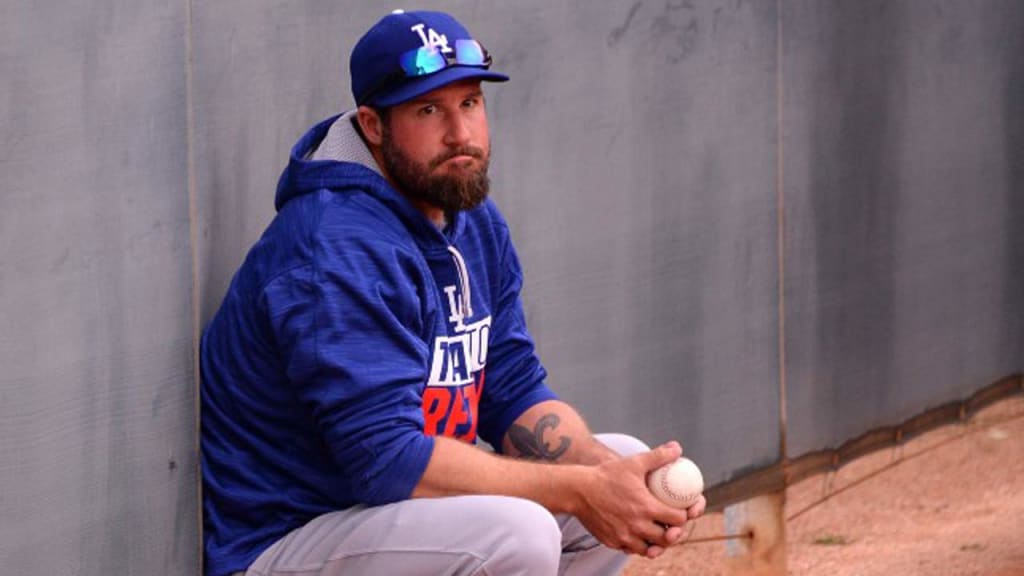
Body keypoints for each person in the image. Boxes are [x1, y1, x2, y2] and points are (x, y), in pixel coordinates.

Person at [200, 9, 706, 576]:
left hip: (394, 522)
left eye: (469, 102)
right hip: (291, 537)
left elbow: (510, 387)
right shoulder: (334, 246)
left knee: (620, 462)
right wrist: (582, 489)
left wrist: (606, 474)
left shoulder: (469, 220)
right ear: (373, 125)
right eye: (428, 110)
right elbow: (387, 460)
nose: (460, 133)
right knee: (520, 530)